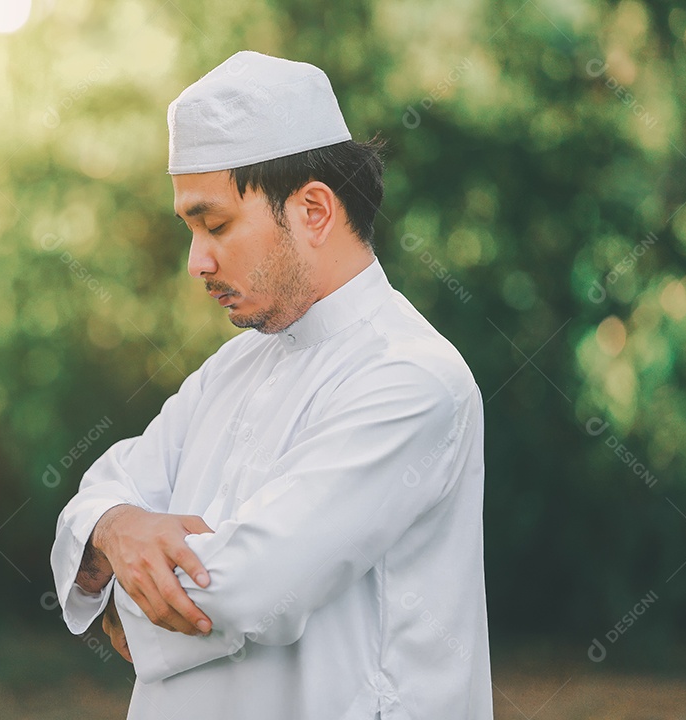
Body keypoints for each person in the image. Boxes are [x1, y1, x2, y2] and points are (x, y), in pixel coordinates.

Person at [49, 50, 493, 720]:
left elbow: (249, 589)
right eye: (191, 229)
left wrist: (120, 580)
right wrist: (114, 525)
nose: (198, 260)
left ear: (314, 211)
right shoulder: (231, 368)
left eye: (216, 224)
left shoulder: (413, 379)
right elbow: (101, 492)